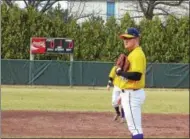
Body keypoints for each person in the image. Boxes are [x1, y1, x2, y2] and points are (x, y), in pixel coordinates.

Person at [116, 27, 146, 139]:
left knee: (135, 128)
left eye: (128, 38)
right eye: (124, 38)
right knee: (134, 127)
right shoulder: (133, 53)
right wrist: (122, 95)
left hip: (132, 94)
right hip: (129, 93)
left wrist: (120, 72)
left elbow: (137, 76)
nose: (125, 40)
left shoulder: (137, 54)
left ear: (136, 39)